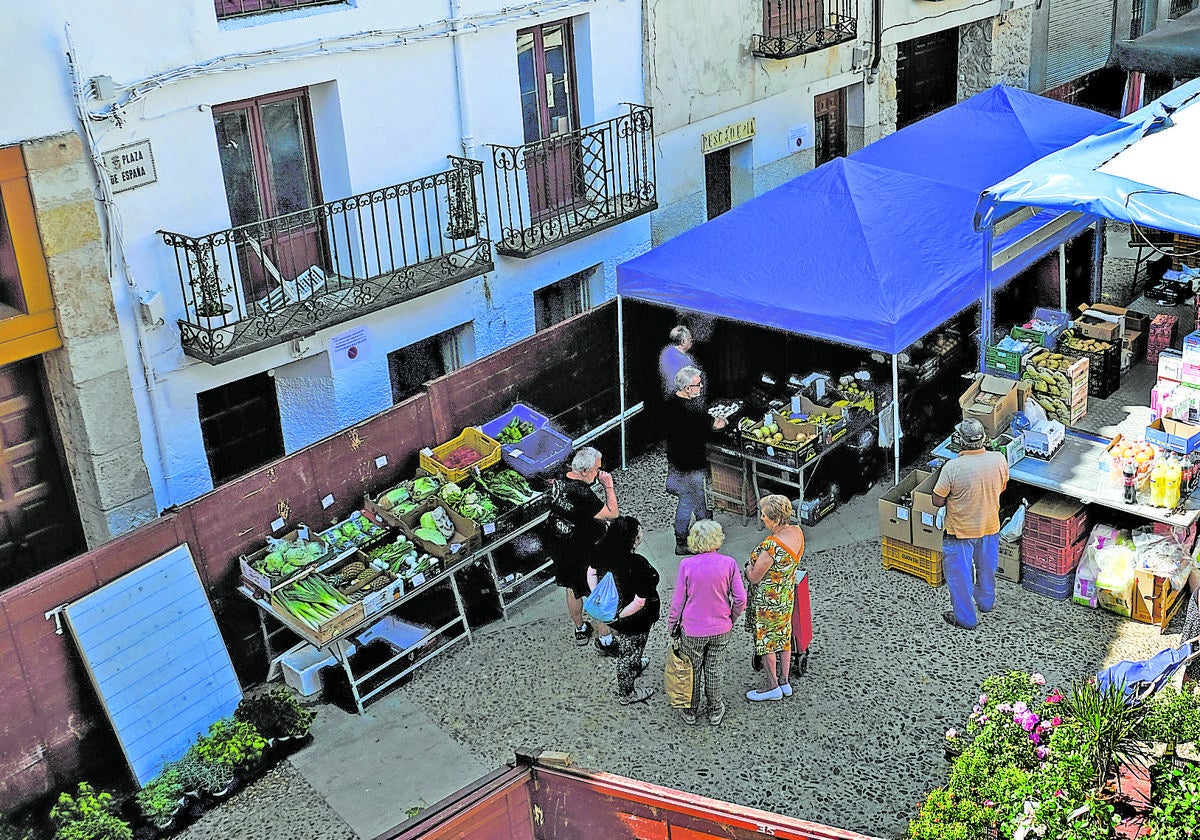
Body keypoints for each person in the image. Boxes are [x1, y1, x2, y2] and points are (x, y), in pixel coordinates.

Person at [667, 519, 747, 726]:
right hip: (721, 626)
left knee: (691, 669)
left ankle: (691, 710)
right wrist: (732, 617)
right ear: (717, 540)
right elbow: (741, 598)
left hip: (692, 629)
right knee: (714, 669)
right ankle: (714, 709)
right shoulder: (729, 563)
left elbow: (678, 600)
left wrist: (672, 624)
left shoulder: (686, 565)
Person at [932, 417, 1010, 630]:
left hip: (960, 532)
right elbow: (1002, 487)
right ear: (984, 439)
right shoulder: (999, 460)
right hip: (990, 527)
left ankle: (966, 619)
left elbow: (937, 500)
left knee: (960, 577)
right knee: (986, 569)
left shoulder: (952, 468)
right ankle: (986, 603)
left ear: (961, 441)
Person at [545, 447, 619, 646]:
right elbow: (612, 513)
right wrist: (609, 486)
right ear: (584, 471)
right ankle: (606, 639)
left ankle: (580, 629)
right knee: (596, 593)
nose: (598, 474)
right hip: (582, 551)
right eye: (596, 470)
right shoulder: (583, 494)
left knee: (571, 588)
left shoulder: (562, 477)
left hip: (559, 544)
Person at [587, 516, 660, 705]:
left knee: (632, 649)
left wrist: (600, 601)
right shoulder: (637, 564)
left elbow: (591, 572)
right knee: (629, 652)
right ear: (634, 539)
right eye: (640, 531)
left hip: (614, 610)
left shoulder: (599, 550)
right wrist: (618, 616)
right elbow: (639, 601)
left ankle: (635, 664)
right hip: (634, 620)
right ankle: (627, 693)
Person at [745, 494, 804, 702]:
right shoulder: (797, 532)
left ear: (776, 519)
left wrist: (746, 569)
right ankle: (784, 681)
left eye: (764, 515)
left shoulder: (772, 546)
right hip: (785, 595)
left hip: (767, 601)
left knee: (767, 641)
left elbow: (754, 577)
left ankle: (772, 687)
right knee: (783, 637)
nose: (761, 518)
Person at [664, 365, 727, 555]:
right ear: (687, 389)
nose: (701, 387)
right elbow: (715, 425)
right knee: (688, 501)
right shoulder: (693, 413)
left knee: (698, 497)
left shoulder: (670, 403)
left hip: (676, 460)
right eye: (697, 385)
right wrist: (724, 420)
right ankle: (683, 541)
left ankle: (706, 529)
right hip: (691, 463)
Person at [659, 325, 696, 396]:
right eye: (690, 339)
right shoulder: (680, 359)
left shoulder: (669, 352)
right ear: (683, 342)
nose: (691, 341)